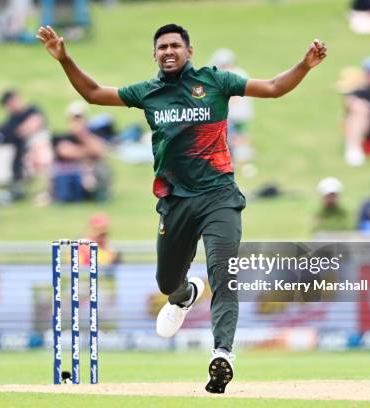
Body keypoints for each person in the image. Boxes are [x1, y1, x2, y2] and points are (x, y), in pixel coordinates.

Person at [38, 23, 327, 393]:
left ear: (189, 51)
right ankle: (183, 294)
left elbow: (272, 88)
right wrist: (65, 59)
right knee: (166, 280)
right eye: (162, 47)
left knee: (224, 274)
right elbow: (93, 94)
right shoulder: (149, 92)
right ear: (155, 55)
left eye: (176, 45)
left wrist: (303, 65)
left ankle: (222, 354)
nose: (169, 51)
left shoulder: (216, 82)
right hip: (174, 201)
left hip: (219, 196)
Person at [51, 101, 110, 202]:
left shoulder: (92, 135)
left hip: (92, 172)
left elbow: (100, 152)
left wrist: (82, 136)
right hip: (73, 173)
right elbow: (64, 152)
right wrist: (88, 152)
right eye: (74, 118)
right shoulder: (62, 137)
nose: (77, 122)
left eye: (80, 118)